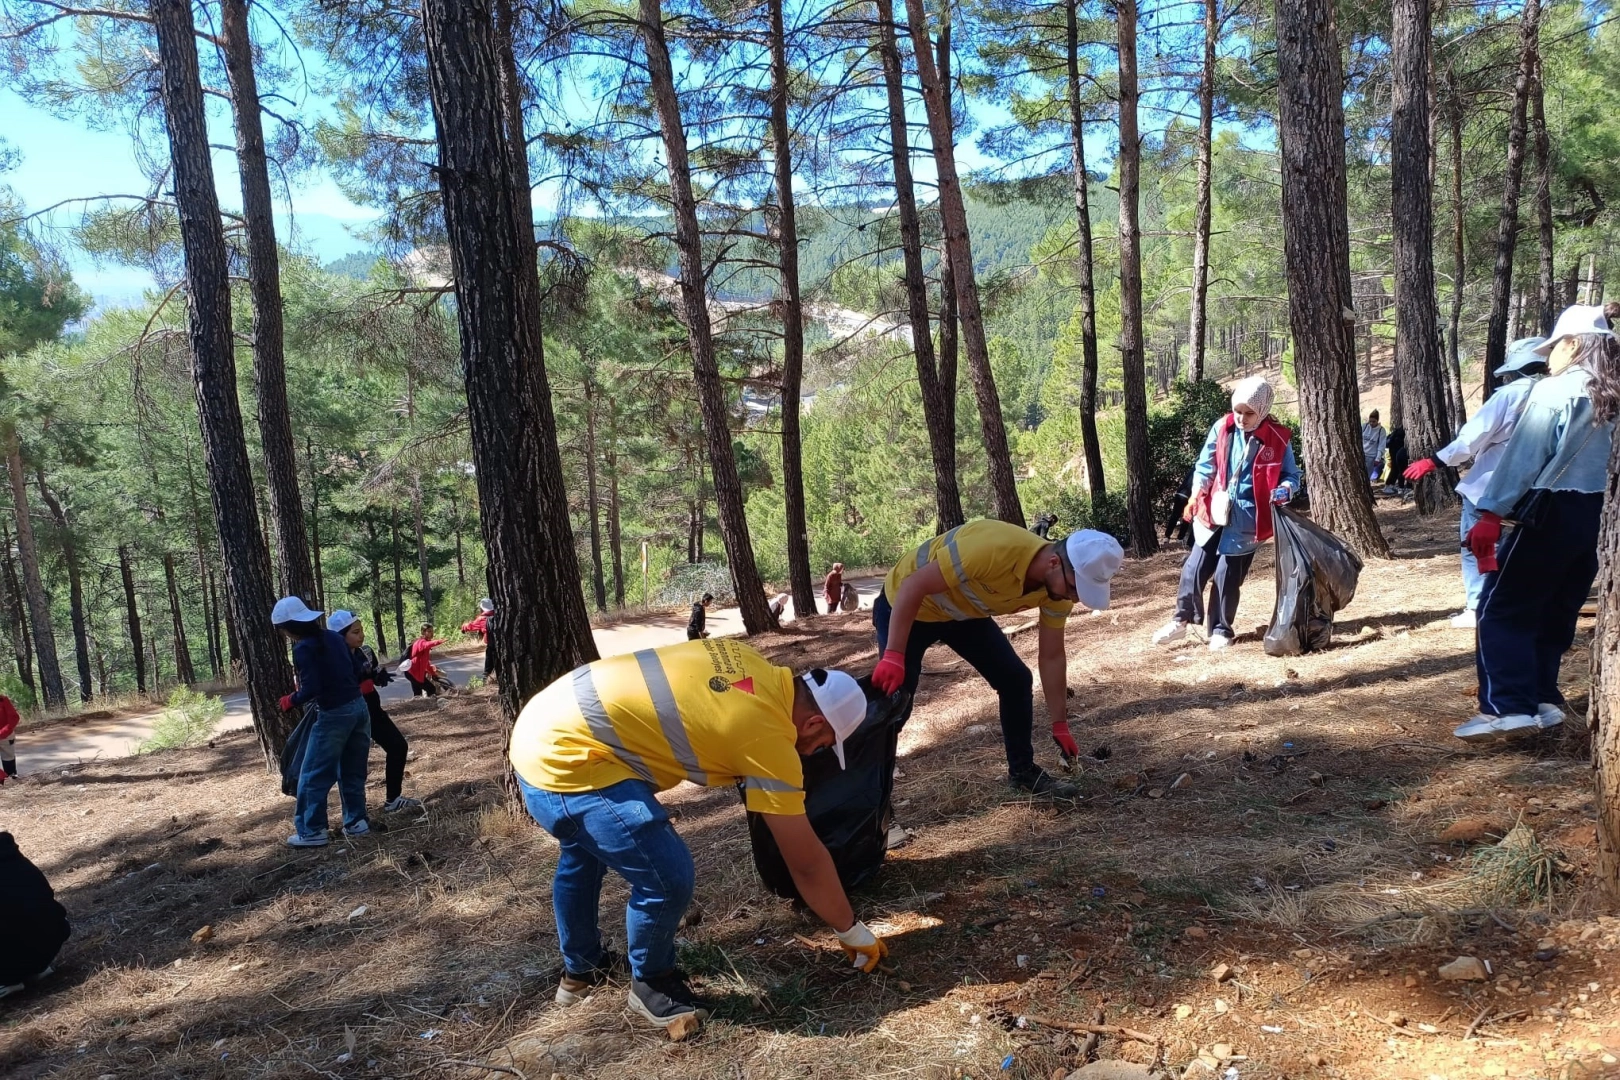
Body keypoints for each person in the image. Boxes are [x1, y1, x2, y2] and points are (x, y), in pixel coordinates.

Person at [509, 638, 885, 1031]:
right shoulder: (766, 736)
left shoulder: (750, 662)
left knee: (582, 856)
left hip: (539, 727)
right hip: (569, 763)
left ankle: (581, 972)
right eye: (821, 745)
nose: (811, 754)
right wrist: (850, 929)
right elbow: (806, 862)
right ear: (812, 723)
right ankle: (652, 984)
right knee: (667, 878)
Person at [1455, 305, 1619, 743]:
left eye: (1552, 347)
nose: (1547, 357)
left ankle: (1506, 706)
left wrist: (1490, 512)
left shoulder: (1557, 390)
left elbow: (1524, 457)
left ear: (1571, 344)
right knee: (1557, 607)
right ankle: (1543, 697)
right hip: (1603, 517)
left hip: (1553, 509)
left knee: (1500, 607)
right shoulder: (1613, 393)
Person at [870, 519, 1124, 798]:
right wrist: (894, 654)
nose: (1074, 599)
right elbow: (913, 585)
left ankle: (1022, 773)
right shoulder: (994, 547)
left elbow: (1052, 656)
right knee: (896, 703)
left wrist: (1059, 723)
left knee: (1015, 680)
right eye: (1075, 589)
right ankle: (869, 801)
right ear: (1054, 563)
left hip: (961, 614)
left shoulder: (1057, 590)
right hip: (909, 604)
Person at [1404, 336, 1549, 628]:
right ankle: (1511, 603)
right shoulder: (1553, 394)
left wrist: (1434, 460)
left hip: (1489, 486)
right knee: (1517, 549)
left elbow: (1471, 438)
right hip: (1534, 488)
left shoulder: (1509, 395)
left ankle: (1479, 606)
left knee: (1477, 546)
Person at [1153, 376, 1302, 651]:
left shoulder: (1278, 438)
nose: (1242, 418)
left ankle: (1221, 630)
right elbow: (1205, 465)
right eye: (1238, 411)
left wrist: (1285, 489)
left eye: (1249, 413)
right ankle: (1181, 621)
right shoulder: (1222, 427)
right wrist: (1197, 492)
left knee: (1227, 576)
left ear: (1263, 411)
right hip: (1213, 511)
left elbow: (1292, 476)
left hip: (1247, 520)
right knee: (1193, 569)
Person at [273, 596, 372, 847]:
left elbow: (311, 688)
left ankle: (311, 830)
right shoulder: (334, 637)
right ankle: (356, 822)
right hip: (359, 708)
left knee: (313, 773)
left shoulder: (303, 649)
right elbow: (353, 668)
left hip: (333, 714)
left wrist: (290, 700)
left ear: (290, 628)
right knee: (351, 768)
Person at [330, 610, 422, 814]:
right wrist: (362, 685)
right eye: (355, 632)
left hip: (372, 711)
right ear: (340, 637)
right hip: (349, 716)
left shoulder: (366, 651)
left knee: (398, 746)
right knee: (352, 765)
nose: (361, 635)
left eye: (361, 630)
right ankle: (355, 814)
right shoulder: (334, 660)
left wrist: (380, 677)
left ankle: (393, 800)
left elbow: (372, 672)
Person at [0, 831, 70, 999]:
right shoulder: (11, 855)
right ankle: (31, 969)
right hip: (50, 939)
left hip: (12, 956)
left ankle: (9, 980)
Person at [402, 623, 447, 697]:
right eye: (429, 631)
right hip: (412, 673)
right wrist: (439, 641)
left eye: (432, 631)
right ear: (423, 632)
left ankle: (420, 706)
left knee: (418, 694)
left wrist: (433, 674)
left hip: (413, 672)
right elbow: (427, 644)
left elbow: (426, 663)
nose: (431, 633)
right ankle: (430, 705)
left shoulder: (425, 645)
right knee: (431, 689)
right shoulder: (420, 642)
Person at [461, 598, 497, 681]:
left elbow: (470, 626)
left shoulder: (482, 618)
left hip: (491, 643)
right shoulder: (498, 614)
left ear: (482, 608)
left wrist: (463, 627)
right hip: (503, 644)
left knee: (489, 658)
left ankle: (486, 676)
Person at [1362, 409, 1388, 482]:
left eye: (1374, 421)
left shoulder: (1381, 430)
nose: (1371, 423)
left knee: (1367, 475)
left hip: (1371, 456)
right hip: (1362, 454)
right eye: (1370, 421)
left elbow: (1381, 445)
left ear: (1377, 421)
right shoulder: (1364, 426)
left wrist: (1378, 458)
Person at [0, 691, 18, 780]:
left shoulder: (3, 700)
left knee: (8, 760)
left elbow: (14, 718)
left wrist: (3, 732)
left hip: (5, 737)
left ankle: (12, 784)